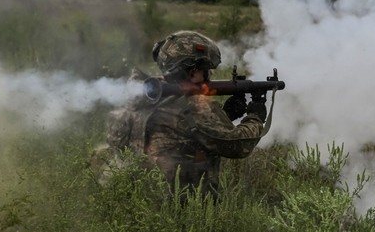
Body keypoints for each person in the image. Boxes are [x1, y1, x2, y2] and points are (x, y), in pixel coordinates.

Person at [106, 30, 269, 199]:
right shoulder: (193, 107)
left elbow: (186, 135)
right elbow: (237, 145)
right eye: (206, 70)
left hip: (137, 200)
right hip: (178, 206)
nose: (209, 76)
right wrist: (255, 117)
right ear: (192, 72)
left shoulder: (144, 98)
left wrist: (226, 115)